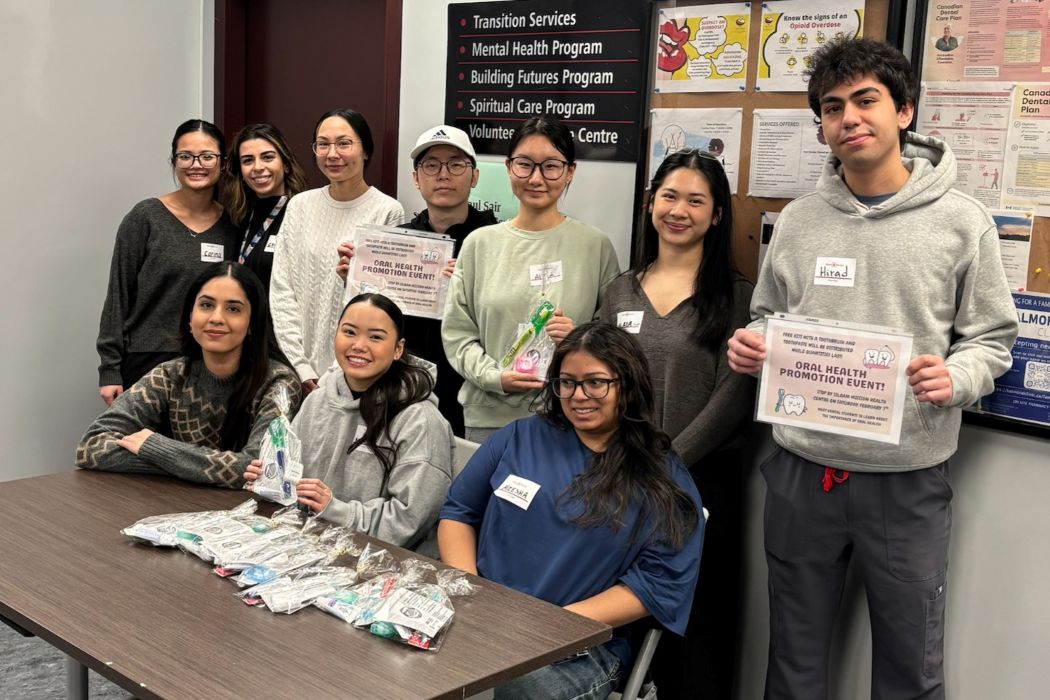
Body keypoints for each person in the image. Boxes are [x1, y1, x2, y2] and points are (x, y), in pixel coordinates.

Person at [726, 38, 1017, 699]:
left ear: (904, 111)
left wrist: (958, 378)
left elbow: (992, 338)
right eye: (833, 108)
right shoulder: (797, 221)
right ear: (822, 126)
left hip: (905, 481)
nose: (850, 118)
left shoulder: (962, 222)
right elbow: (771, 315)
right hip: (801, 472)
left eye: (866, 101)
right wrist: (753, 343)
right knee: (793, 659)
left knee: (909, 665)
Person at [439, 322, 704, 699]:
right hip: (484, 619)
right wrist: (470, 594)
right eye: (567, 382)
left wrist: (554, 627)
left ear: (627, 384)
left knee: (514, 686)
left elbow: (657, 585)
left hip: (576, 647)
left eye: (596, 382)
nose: (579, 396)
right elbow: (458, 513)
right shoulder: (519, 437)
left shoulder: (661, 477)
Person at [598, 148, 754, 698]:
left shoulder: (737, 298)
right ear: (649, 204)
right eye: (669, 196)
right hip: (621, 475)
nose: (678, 210)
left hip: (701, 482)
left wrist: (667, 462)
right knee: (622, 613)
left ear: (716, 215)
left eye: (696, 200)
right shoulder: (619, 291)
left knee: (697, 622)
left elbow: (735, 396)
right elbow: (599, 377)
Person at [442, 116, 620, 443]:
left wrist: (580, 337)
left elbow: (614, 337)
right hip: (489, 418)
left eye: (551, 166)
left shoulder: (595, 247)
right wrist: (495, 377)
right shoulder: (479, 244)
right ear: (509, 168)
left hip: (571, 418)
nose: (536, 178)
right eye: (524, 164)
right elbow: (457, 334)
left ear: (570, 171)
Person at [245, 293, 454, 556]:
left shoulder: (420, 420)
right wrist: (272, 480)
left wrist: (335, 509)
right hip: (303, 544)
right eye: (349, 332)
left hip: (378, 560)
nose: (359, 345)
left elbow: (409, 520)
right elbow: (294, 484)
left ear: (398, 349)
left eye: (375, 337)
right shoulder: (317, 400)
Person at [335, 125, 497, 437]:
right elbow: (377, 320)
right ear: (416, 178)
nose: (443, 174)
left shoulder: (493, 240)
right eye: (431, 165)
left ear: (474, 176)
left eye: (456, 164)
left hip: (471, 394)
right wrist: (355, 282)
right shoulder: (398, 241)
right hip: (399, 391)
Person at [77, 262, 302, 486]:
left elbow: (262, 470)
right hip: (180, 508)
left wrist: (158, 448)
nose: (216, 318)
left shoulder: (280, 383)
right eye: (206, 305)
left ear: (252, 323)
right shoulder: (170, 375)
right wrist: (186, 466)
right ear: (189, 317)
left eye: (233, 309)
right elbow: (91, 446)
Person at [96, 119, 237, 405]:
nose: (195, 164)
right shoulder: (146, 217)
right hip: (147, 361)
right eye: (185, 156)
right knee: (140, 448)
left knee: (195, 450)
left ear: (222, 163)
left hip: (209, 361)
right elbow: (118, 295)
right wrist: (110, 369)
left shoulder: (232, 226)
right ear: (174, 161)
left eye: (207, 156)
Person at [270, 109, 404, 395]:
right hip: (295, 370)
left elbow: (383, 303)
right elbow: (282, 290)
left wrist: (336, 372)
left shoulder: (387, 211)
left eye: (344, 143)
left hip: (355, 371)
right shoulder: (299, 206)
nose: (332, 153)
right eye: (323, 144)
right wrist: (302, 368)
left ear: (365, 150)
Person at [223, 123, 308, 292]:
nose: (258, 167)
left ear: (285, 164)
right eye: (248, 160)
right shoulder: (237, 217)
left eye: (267, 157)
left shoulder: (303, 214)